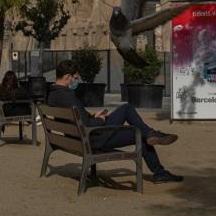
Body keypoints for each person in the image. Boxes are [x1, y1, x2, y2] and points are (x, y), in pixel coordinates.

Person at [46, 59, 183, 183]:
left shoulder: (54, 95)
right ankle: (153, 144)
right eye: (75, 78)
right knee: (129, 113)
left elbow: (80, 118)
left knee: (133, 122)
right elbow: (86, 124)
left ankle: (151, 137)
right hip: (93, 137)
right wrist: (100, 120)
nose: (76, 81)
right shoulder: (67, 96)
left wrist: (94, 116)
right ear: (67, 77)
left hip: (78, 138)